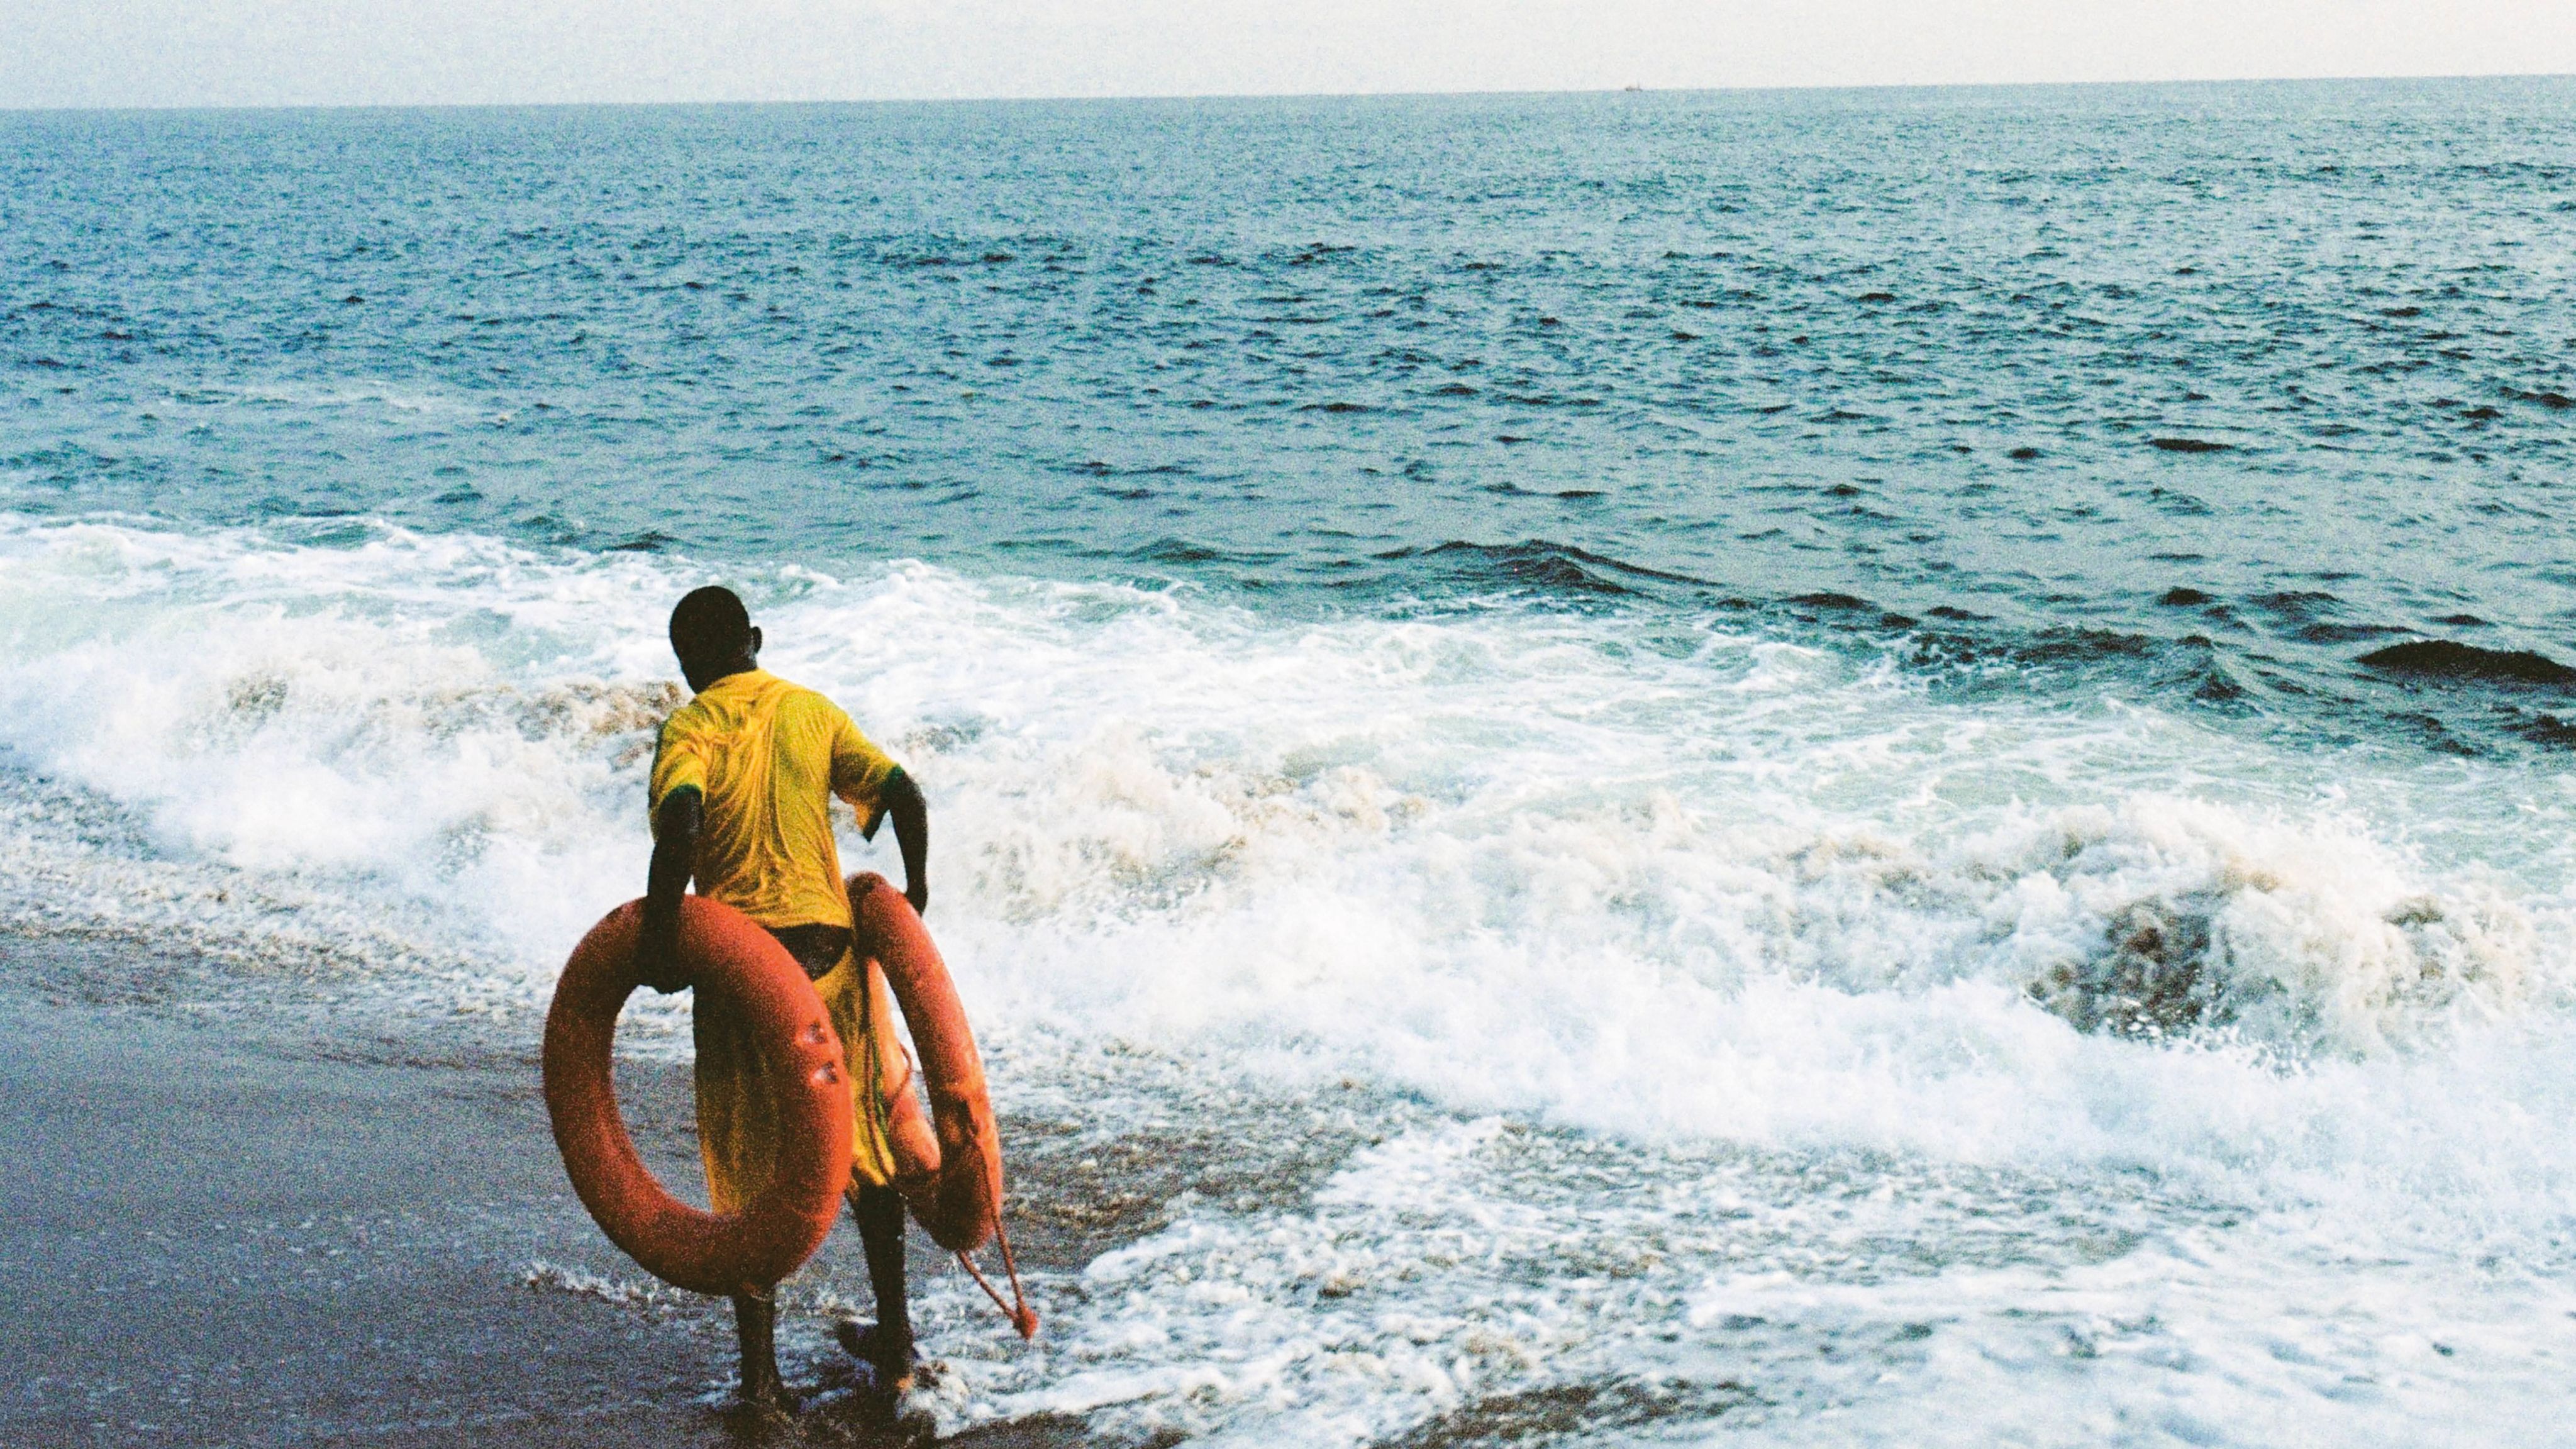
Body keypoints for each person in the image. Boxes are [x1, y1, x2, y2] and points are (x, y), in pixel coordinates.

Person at [631, 584, 931, 1413]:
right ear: (755, 640)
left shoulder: (691, 727)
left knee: (744, 1169)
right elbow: (904, 793)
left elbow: (683, 824)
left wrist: (661, 946)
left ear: (687, 665)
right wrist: (916, 892)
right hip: (830, 961)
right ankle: (898, 1346)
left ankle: (763, 1383)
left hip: (742, 971)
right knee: (863, 1145)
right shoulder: (813, 712)